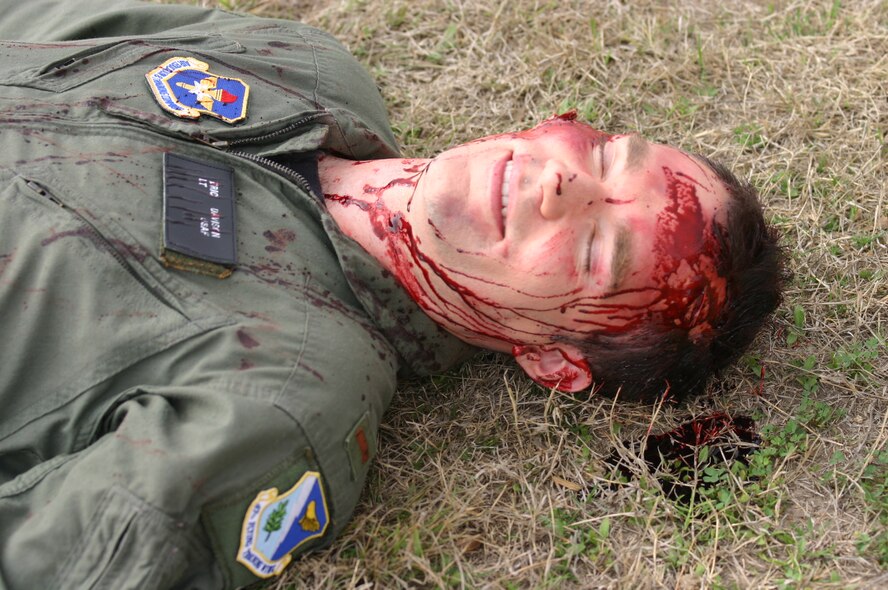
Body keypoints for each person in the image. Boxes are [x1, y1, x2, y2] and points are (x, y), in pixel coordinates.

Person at [0, 1, 784, 588]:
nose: (563, 181)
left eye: (593, 249)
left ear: (552, 361)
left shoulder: (288, 394)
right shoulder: (299, 65)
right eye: (611, 156)